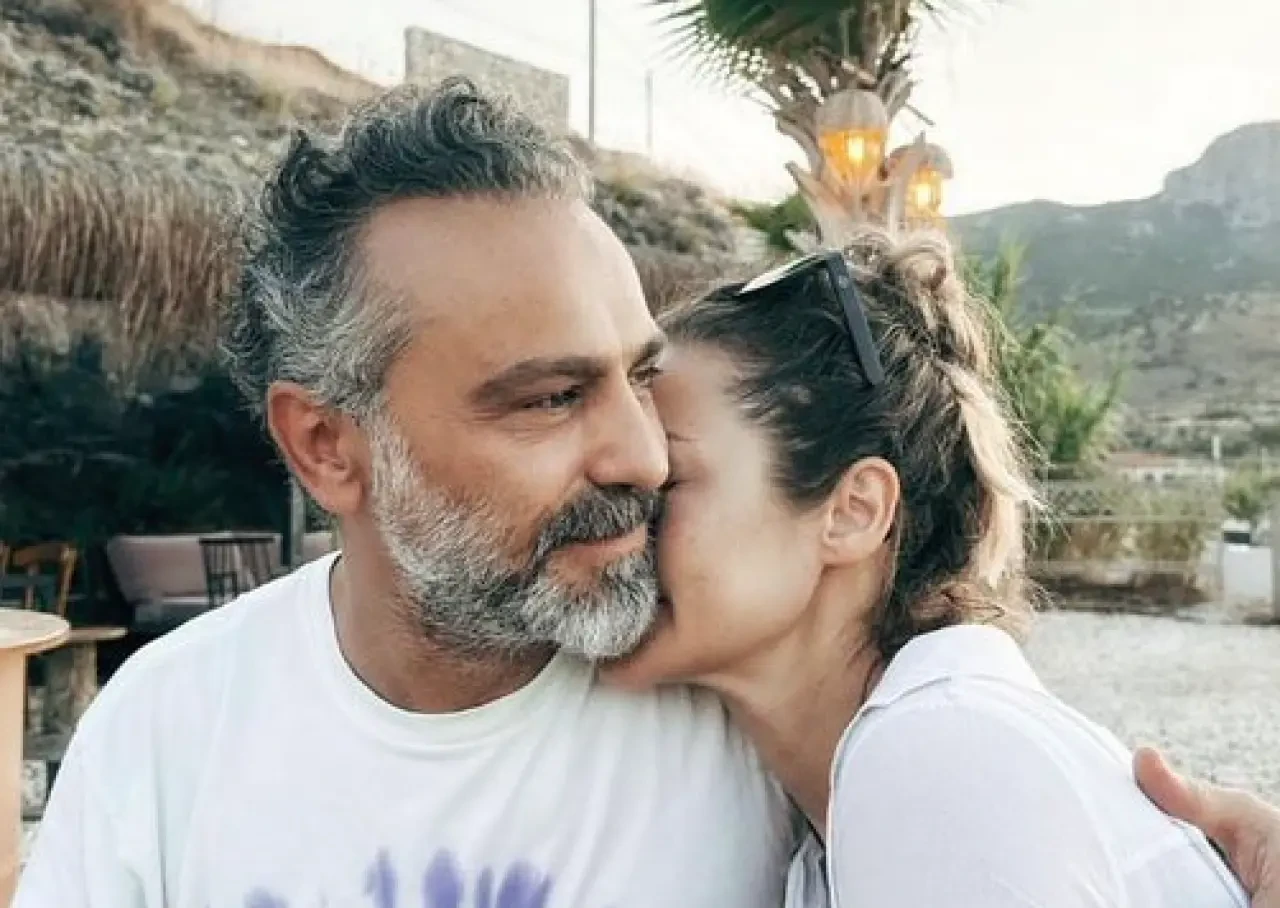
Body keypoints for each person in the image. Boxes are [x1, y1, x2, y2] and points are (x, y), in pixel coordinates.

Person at [13, 80, 1280, 907]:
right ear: (327, 445)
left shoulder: (768, 719)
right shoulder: (167, 730)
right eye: (549, 396)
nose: (639, 456)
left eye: (638, 377)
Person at [599, 232, 1259, 906]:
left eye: (667, 480)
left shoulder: (938, 757)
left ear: (854, 511)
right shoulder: (861, 802)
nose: (616, 526)